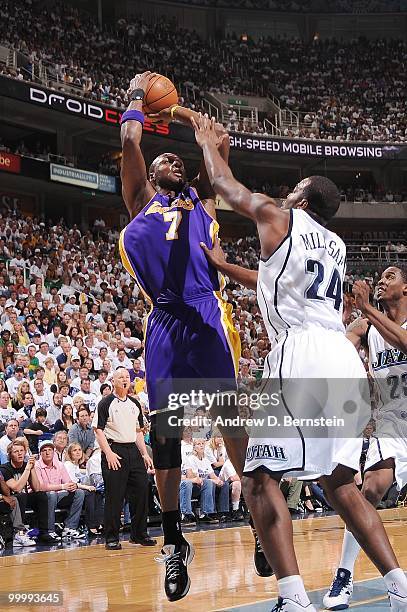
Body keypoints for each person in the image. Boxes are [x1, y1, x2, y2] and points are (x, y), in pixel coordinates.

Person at [191, 114, 407, 612]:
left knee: (257, 477)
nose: (285, 194)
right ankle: (398, 587)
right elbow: (276, 283)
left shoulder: (279, 216)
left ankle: (293, 598)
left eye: (294, 190)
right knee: (342, 486)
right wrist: (224, 266)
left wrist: (211, 146)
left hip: (303, 355)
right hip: (341, 358)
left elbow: (226, 187)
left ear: (303, 200)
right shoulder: (334, 245)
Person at [119, 72, 243, 601]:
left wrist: (186, 116)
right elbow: (130, 141)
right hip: (166, 322)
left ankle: (259, 517)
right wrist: (135, 101)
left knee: (229, 420)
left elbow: (220, 143)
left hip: (206, 315)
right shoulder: (140, 199)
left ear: (187, 174)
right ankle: (173, 542)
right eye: (160, 160)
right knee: (167, 438)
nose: (165, 162)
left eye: (174, 160)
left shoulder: (204, 205)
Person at [324, 268, 407, 610]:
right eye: (380, 277)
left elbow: (403, 343)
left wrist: (367, 307)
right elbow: (335, 353)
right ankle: (344, 576)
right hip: (392, 424)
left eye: (390, 276)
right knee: (370, 490)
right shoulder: (367, 327)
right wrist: (339, 322)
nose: (382, 280)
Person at [93, 367, 156, 550]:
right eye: (121, 377)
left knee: (142, 492)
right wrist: (109, 453)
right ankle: (111, 537)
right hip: (114, 449)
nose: (125, 379)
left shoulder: (134, 403)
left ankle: (139, 534)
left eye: (127, 377)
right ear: (113, 381)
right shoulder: (105, 403)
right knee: (115, 496)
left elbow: (138, 431)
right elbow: (98, 430)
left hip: (133, 451)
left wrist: (144, 453)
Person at [0, 440, 59, 544]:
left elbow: (37, 488)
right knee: (20, 495)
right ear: (10, 455)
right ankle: (19, 533)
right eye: (16, 451)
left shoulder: (27, 465)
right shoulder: (5, 468)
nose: (19, 453)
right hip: (13, 500)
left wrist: (31, 468)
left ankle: (43, 532)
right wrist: (27, 469)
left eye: (22, 451)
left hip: (24, 498)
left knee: (41, 495)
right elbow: (16, 488)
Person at [35, 440, 86, 540]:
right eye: (44, 450)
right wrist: (63, 486)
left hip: (58, 495)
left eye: (50, 450)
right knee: (51, 494)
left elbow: (68, 481)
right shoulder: (37, 465)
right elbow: (41, 487)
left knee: (79, 493)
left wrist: (72, 486)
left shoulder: (59, 465)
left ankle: (70, 528)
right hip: (42, 497)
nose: (47, 452)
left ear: (54, 452)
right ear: (40, 453)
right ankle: (50, 530)